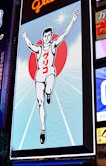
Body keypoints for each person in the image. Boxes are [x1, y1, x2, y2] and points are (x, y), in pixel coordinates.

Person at [21, 9, 80, 144]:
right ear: (43, 37)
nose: (48, 37)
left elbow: (64, 34)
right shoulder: (39, 48)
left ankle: (48, 93)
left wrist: (73, 20)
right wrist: (24, 37)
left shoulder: (53, 45)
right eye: (46, 36)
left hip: (50, 73)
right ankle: (43, 130)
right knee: (40, 103)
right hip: (39, 76)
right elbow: (30, 45)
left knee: (49, 88)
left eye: (49, 35)